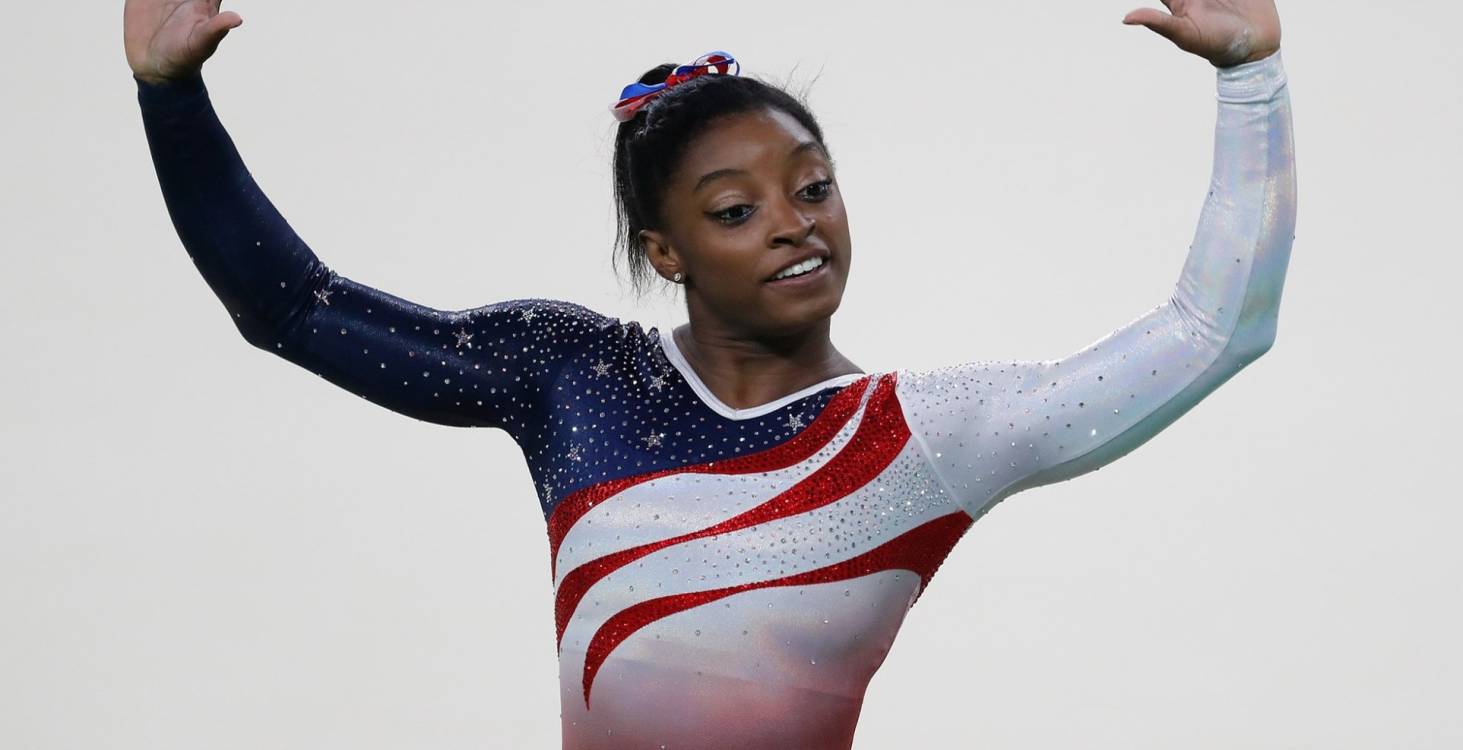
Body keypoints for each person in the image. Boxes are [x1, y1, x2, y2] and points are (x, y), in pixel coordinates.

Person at [125, 0, 1296, 746]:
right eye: (739, 210)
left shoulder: (922, 435)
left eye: (815, 187)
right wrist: (169, 100)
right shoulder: (568, 374)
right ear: (666, 251)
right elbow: (292, 306)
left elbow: (1213, 331)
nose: (795, 225)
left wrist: (1250, 79)